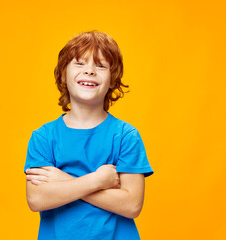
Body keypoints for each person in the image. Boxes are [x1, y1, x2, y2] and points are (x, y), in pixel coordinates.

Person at [24, 30, 154, 240]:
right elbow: (37, 200)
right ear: (63, 75)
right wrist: (97, 180)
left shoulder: (126, 136)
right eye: (80, 63)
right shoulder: (43, 137)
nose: (90, 71)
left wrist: (63, 179)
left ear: (113, 80)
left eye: (101, 65)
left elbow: (132, 205)